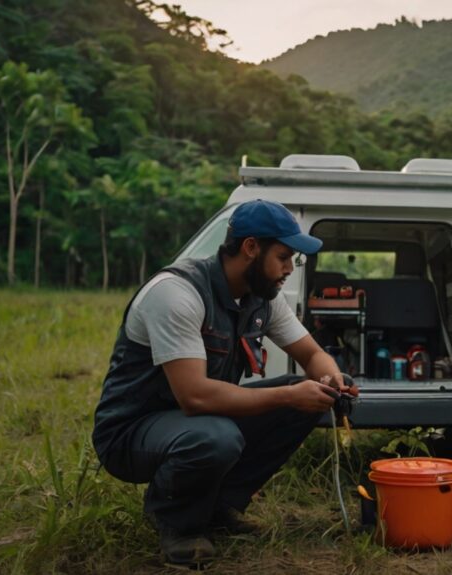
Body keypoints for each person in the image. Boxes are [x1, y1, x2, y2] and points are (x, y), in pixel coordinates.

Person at [91, 199, 356, 566]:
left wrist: (332, 380)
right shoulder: (177, 294)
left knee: (310, 399)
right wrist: (289, 396)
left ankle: (216, 508)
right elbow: (195, 397)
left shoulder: (262, 298)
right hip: (133, 431)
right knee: (219, 435)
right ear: (250, 248)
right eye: (283, 256)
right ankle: (178, 524)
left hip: (197, 420)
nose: (288, 269)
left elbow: (312, 356)